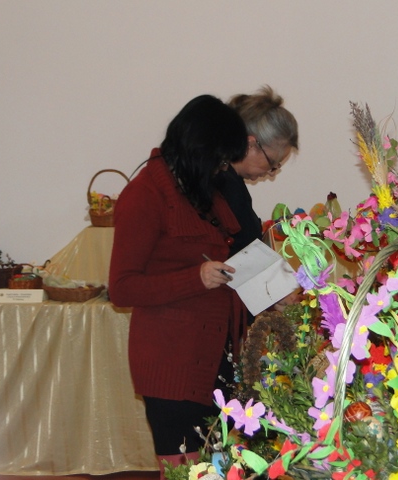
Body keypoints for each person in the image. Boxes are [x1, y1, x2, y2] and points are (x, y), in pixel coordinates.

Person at [108, 94, 248, 477]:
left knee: (217, 468)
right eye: (220, 160)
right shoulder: (144, 195)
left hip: (212, 356)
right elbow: (122, 288)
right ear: (200, 150)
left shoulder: (196, 188)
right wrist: (195, 278)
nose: (222, 169)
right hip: (172, 365)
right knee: (185, 471)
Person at [215, 85, 301, 310]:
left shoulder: (228, 180)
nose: (271, 173)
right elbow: (239, 254)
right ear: (251, 144)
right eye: (272, 163)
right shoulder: (226, 186)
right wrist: (277, 291)